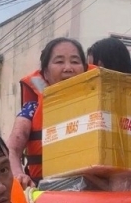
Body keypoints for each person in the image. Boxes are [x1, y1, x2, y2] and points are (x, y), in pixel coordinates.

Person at [6, 37, 88, 188]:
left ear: (85, 69)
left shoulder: (97, 105)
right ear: (46, 73)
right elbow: (12, 149)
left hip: (92, 189)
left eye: (75, 62)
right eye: (59, 61)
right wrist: (18, 175)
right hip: (44, 190)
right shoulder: (31, 109)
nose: (68, 68)